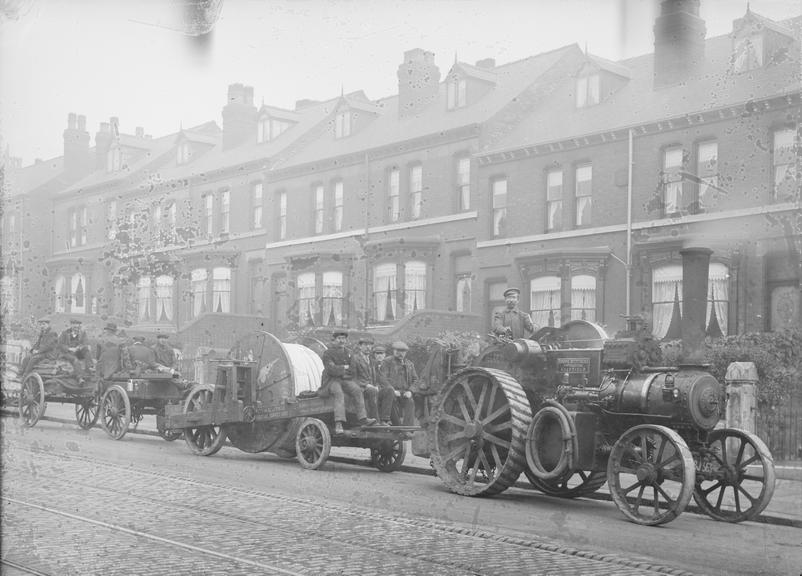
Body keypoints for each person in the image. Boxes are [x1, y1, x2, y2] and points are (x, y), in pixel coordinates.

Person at [319, 330, 377, 435]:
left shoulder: (349, 353)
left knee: (357, 390)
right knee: (338, 393)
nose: (342, 341)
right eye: (339, 339)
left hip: (345, 379)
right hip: (331, 381)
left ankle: (362, 419)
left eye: (344, 339)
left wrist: (340, 370)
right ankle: (338, 423)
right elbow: (330, 370)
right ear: (334, 340)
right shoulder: (328, 353)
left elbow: (353, 370)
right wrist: (344, 368)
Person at [378, 341, 418, 426]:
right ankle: (398, 427)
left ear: (406, 352)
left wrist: (410, 391)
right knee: (392, 401)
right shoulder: (387, 362)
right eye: (398, 351)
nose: (400, 354)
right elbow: (382, 378)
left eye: (403, 351)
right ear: (394, 351)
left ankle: (408, 429)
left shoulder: (409, 364)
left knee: (410, 402)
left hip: (405, 392)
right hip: (391, 392)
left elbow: (416, 380)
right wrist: (393, 390)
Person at [351, 337, 380, 421]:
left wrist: (377, 385)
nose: (368, 347)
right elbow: (353, 377)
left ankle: (387, 420)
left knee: (387, 391)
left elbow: (377, 377)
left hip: (372, 387)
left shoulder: (372, 361)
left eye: (370, 345)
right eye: (365, 345)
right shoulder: (354, 358)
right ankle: (375, 421)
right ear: (360, 346)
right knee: (372, 391)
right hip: (360, 388)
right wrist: (366, 385)